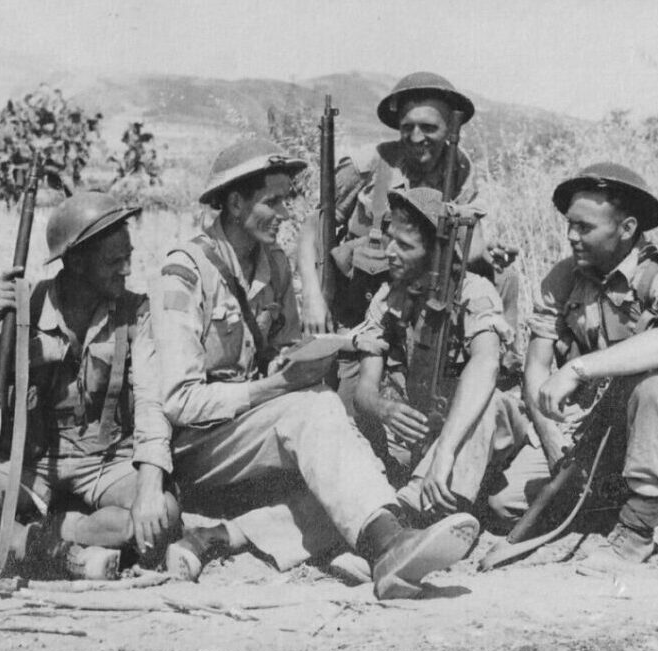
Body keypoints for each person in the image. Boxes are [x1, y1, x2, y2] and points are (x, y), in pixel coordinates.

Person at [151, 138, 479, 600]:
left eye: (288, 199)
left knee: (343, 464)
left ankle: (227, 537)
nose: (285, 213)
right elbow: (179, 401)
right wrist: (276, 387)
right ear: (234, 201)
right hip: (197, 445)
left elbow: (283, 355)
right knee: (317, 414)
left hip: (249, 433)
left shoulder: (276, 265)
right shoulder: (184, 271)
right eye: (273, 201)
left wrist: (312, 357)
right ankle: (386, 543)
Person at [0, 192, 180, 579]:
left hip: (107, 465)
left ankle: (46, 540)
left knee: (161, 513)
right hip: (29, 467)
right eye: (115, 260)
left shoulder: (137, 312)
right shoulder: (23, 311)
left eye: (127, 256)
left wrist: (150, 483)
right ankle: (57, 552)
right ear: (77, 261)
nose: (127, 269)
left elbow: (151, 402)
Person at [296, 71, 522, 411]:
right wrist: (313, 296)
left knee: (505, 278)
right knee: (353, 408)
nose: (417, 137)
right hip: (363, 311)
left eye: (429, 128)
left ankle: (503, 368)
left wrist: (489, 253)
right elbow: (314, 226)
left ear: (449, 128)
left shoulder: (459, 169)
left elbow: (469, 243)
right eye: (408, 127)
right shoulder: (370, 163)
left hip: (419, 307)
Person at [523, 163, 658, 570]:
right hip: (591, 426)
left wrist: (577, 369)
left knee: (656, 380)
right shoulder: (563, 277)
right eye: (570, 225)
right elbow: (535, 366)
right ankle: (614, 495)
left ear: (626, 228)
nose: (571, 236)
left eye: (584, 228)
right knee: (507, 502)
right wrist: (550, 435)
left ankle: (637, 532)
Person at [353, 187, 531, 522]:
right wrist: (382, 407)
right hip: (426, 429)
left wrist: (445, 450)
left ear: (436, 253)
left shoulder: (474, 292)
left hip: (487, 432)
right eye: (392, 239)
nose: (390, 252)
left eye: (405, 246)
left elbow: (485, 366)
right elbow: (364, 389)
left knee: (488, 403)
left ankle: (406, 518)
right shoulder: (388, 297)